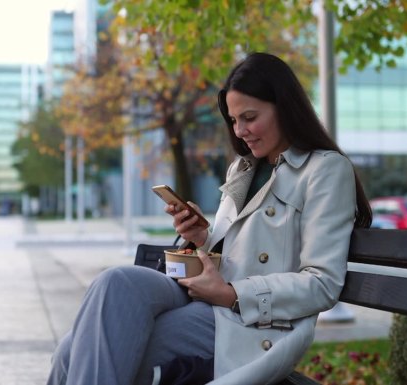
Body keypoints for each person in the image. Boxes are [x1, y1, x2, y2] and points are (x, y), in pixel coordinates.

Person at [45, 52, 372, 385]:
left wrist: (232, 294)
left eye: (250, 117)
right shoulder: (243, 168)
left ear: (284, 108)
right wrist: (204, 237)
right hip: (204, 297)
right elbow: (234, 252)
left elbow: (321, 283)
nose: (240, 130)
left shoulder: (325, 170)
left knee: (75, 353)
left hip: (250, 321)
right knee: (115, 281)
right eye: (233, 120)